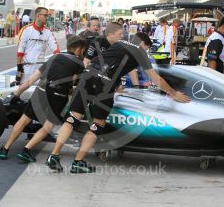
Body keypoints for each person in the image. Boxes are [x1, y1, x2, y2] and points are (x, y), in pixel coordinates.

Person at [46, 35, 191, 174]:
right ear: (143, 44)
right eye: (146, 48)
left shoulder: (119, 43)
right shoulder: (140, 52)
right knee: (98, 124)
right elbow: (156, 79)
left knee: (72, 118)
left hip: (88, 74)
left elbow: (112, 62)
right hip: (104, 82)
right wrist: (174, 93)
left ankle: (54, 155)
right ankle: (78, 162)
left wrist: (116, 85)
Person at [0, 36, 87, 161]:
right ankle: (26, 150)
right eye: (83, 50)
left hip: (41, 91)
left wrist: (16, 95)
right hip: (58, 96)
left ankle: (4, 149)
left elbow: (29, 81)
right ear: (79, 49)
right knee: (48, 126)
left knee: (24, 120)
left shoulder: (54, 57)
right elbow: (74, 84)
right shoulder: (79, 64)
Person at [15, 7, 60, 85]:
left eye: (48, 15)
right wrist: (19, 67)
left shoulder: (48, 32)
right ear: (38, 16)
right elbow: (20, 49)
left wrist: (57, 57)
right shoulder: (26, 30)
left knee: (39, 93)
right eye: (45, 15)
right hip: (27, 68)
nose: (47, 18)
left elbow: (55, 47)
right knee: (23, 93)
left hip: (40, 69)